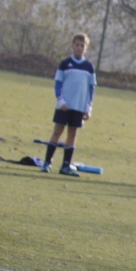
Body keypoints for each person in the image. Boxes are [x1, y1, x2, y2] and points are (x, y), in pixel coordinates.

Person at [41, 32, 96, 178]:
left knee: (72, 134)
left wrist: (88, 107)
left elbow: (91, 89)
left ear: (86, 48)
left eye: (82, 46)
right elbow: (58, 84)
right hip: (64, 106)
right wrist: (61, 101)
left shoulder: (89, 67)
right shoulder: (65, 64)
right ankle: (47, 162)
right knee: (57, 132)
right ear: (72, 46)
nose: (79, 48)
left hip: (78, 107)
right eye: (77, 45)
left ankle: (66, 165)